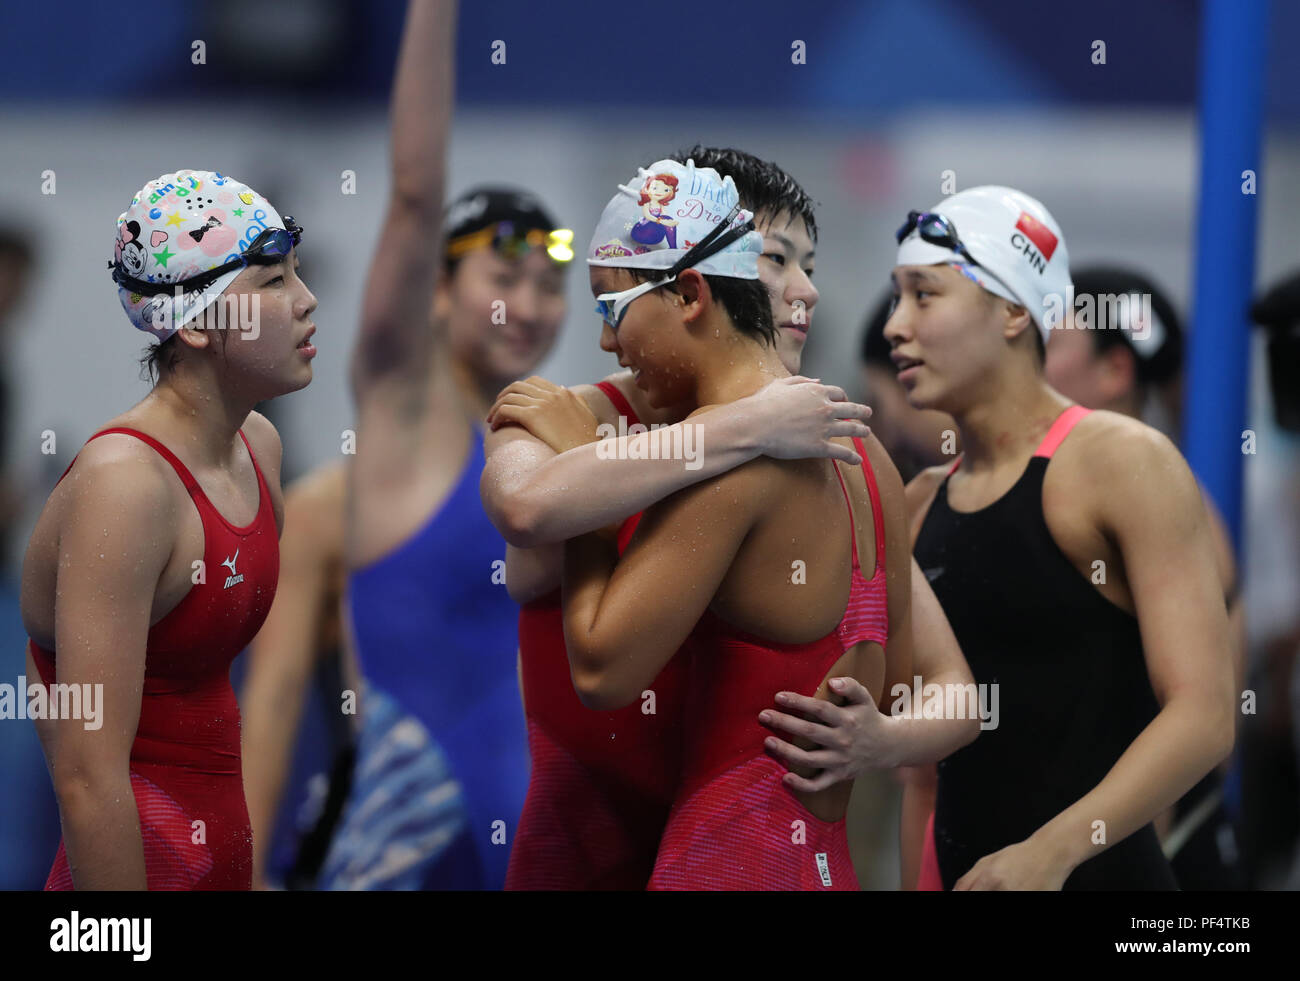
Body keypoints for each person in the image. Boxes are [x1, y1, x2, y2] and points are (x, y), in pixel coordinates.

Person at [486, 148, 977, 890]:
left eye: (612, 311)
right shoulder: (859, 447)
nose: (803, 288)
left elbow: (601, 668)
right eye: (778, 258)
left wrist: (880, 739)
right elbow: (526, 506)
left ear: (690, 294)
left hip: (715, 858)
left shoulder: (766, 454)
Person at [890, 186, 1235, 889]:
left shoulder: (1119, 462)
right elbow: (923, 778)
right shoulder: (919, 503)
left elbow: (1204, 713)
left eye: (923, 295)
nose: (896, 325)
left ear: (1015, 309)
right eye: (896, 297)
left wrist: (1054, 850)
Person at [321, 0, 562, 891]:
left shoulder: (545, 437)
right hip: (411, 831)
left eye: (550, 282)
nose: (531, 304)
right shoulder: (401, 405)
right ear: (434, 292)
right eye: (504, 275)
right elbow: (419, 193)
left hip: (531, 826)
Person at [20, 168, 313, 889]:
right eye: (273, 281)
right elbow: (88, 781)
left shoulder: (258, 449)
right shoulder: (125, 487)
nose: (307, 301)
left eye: (296, 275)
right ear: (195, 322)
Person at [1045, 265, 1246, 888]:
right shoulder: (1077, 495)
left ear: (1115, 371)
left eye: (1048, 344)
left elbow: (1194, 725)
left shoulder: (1164, 511)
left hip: (1156, 861)